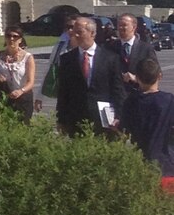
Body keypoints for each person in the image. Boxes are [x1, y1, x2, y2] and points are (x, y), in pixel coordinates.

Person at [54, 14, 125, 137]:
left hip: (104, 118)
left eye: (79, 32)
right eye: (74, 32)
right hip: (76, 118)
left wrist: (119, 116)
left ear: (92, 33)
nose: (75, 35)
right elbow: (63, 92)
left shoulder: (110, 58)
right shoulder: (67, 59)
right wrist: (61, 119)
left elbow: (117, 90)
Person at [121, 57, 174, 188]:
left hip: (140, 161)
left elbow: (123, 130)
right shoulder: (168, 101)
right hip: (166, 163)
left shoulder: (131, 102)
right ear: (159, 76)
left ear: (137, 77)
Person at [0, 26, 36, 122]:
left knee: (22, 126)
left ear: (20, 40)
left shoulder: (28, 57)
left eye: (15, 36)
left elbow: (30, 82)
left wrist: (21, 91)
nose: (11, 39)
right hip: (3, 97)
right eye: (8, 36)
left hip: (22, 98)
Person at [113, 12, 158, 97]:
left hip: (140, 95)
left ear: (134, 27)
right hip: (117, 96)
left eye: (124, 25)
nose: (120, 28)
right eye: (119, 25)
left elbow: (154, 73)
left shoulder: (146, 48)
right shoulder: (110, 47)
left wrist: (136, 78)